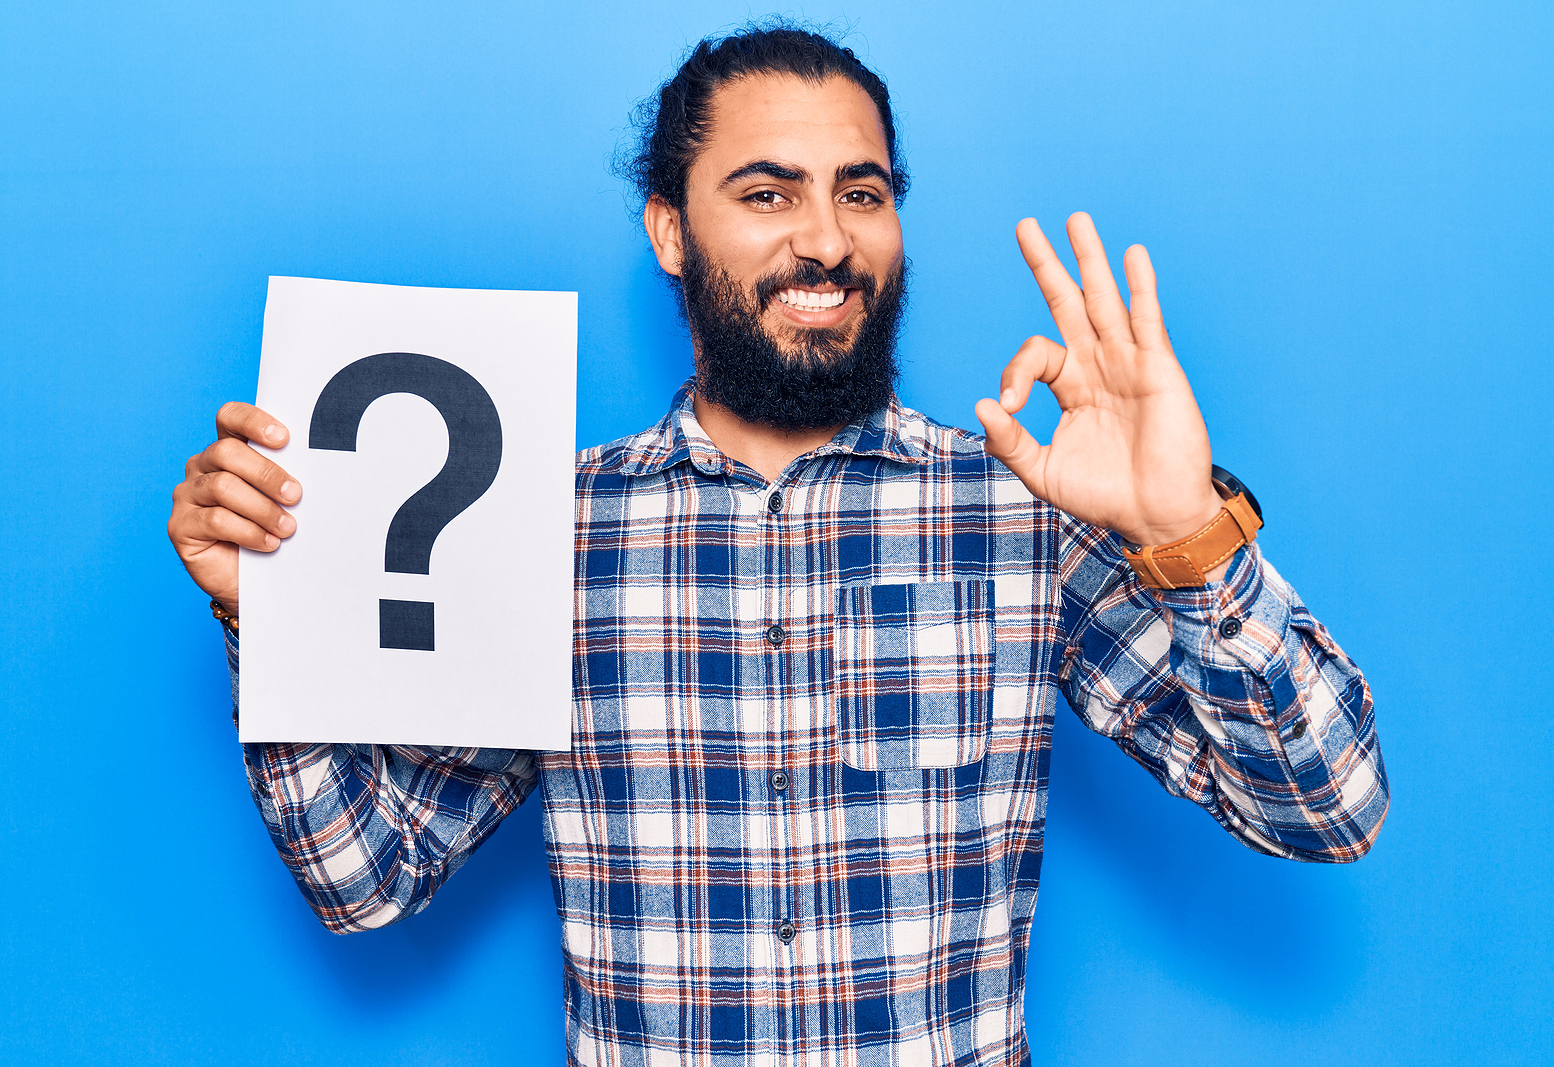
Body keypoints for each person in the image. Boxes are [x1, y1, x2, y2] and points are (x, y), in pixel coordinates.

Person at [167, 23, 1387, 1066]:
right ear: (668, 230)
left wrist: (1186, 534)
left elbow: (1329, 808)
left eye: (862, 191)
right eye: (767, 193)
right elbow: (368, 876)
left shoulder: (1018, 511)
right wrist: (267, 621)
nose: (826, 239)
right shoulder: (543, 532)